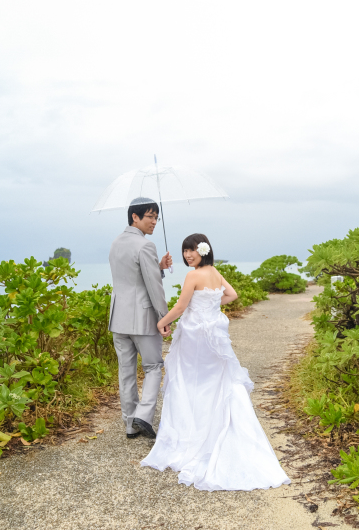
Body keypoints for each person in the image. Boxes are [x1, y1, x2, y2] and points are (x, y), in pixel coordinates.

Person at [140, 233, 290, 491]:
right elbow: (231, 295)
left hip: (195, 336)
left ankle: (193, 433)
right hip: (213, 333)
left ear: (203, 250)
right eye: (185, 251)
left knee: (191, 381)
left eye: (191, 251)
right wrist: (209, 305)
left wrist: (162, 322)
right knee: (214, 380)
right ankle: (212, 427)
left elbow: (180, 306)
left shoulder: (193, 275)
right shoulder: (215, 272)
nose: (188, 255)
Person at [108, 197, 173, 439]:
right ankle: (144, 416)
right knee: (154, 366)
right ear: (135, 217)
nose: (154, 222)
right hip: (143, 317)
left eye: (156, 217)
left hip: (119, 318)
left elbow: (132, 277)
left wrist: (159, 267)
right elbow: (153, 286)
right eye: (150, 217)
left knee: (125, 371)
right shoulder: (146, 245)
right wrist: (164, 317)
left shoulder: (115, 243)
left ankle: (129, 423)